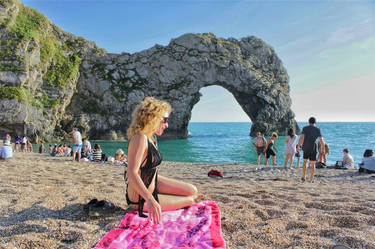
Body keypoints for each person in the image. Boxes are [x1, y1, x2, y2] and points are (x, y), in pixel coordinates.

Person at [125, 97, 202, 223]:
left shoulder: (151, 138)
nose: (167, 125)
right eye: (165, 120)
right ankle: (159, 199)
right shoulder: (139, 138)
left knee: (192, 190)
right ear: (153, 118)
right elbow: (132, 173)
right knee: (190, 200)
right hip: (140, 199)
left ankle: (165, 197)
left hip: (153, 183)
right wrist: (150, 200)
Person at [297, 117, 324, 183]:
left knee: (305, 162)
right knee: (312, 164)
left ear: (309, 122)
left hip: (305, 147)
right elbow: (321, 140)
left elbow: (301, 138)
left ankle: (304, 176)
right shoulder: (318, 129)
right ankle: (311, 179)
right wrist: (323, 148)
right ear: (315, 122)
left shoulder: (305, 128)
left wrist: (298, 146)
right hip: (313, 148)